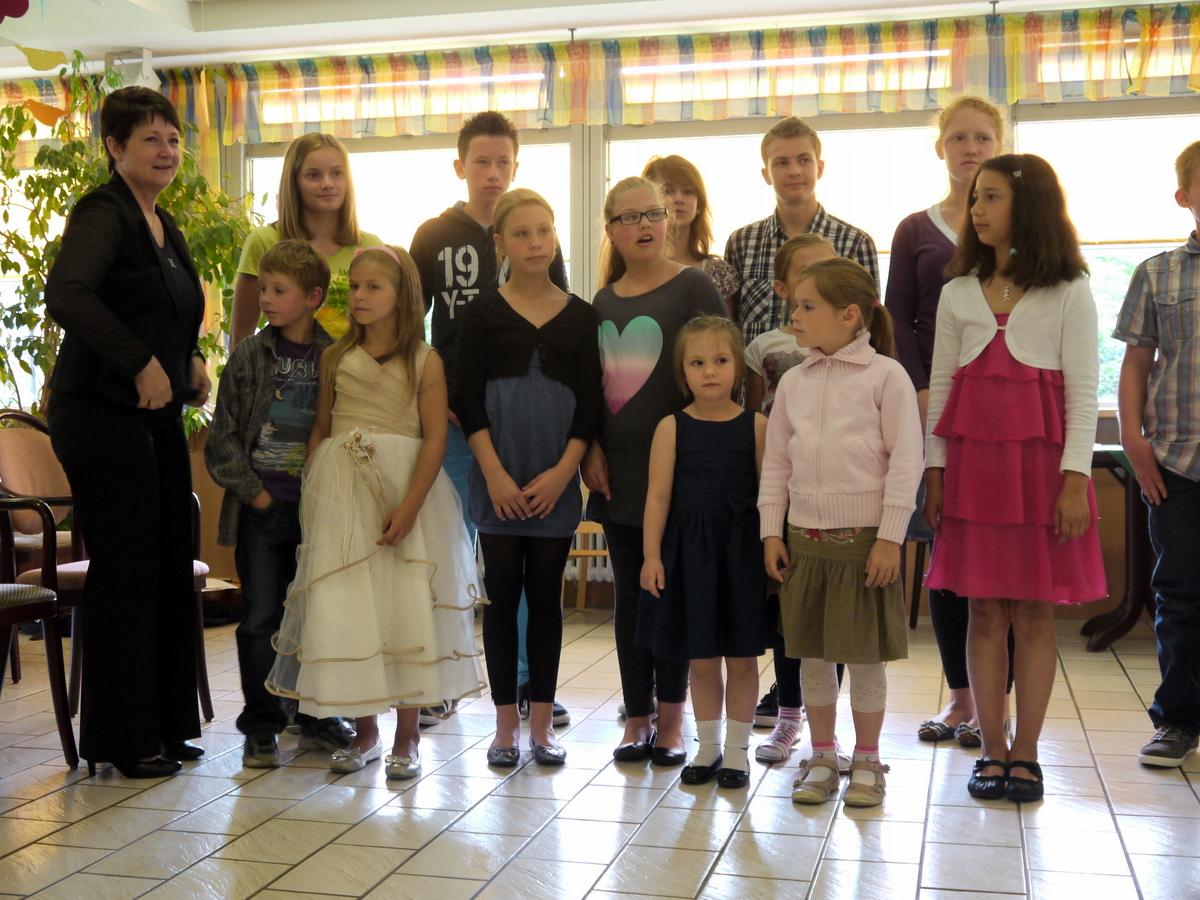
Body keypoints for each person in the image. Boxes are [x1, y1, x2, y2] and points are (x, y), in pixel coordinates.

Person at [923, 154, 1107, 802]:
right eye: (976, 197)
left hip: (1041, 475)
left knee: (1031, 612)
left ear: (1027, 205)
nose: (976, 209)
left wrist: (1075, 480)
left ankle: (1026, 752)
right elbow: (942, 385)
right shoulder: (957, 292)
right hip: (974, 474)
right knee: (982, 611)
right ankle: (991, 748)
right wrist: (935, 470)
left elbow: (1083, 394)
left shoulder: (1070, 289)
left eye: (991, 197)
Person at [265, 246, 486, 779]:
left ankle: (407, 735)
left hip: (406, 491)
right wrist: (317, 488)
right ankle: (365, 731)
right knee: (351, 605)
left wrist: (409, 506)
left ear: (402, 296)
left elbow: (434, 437)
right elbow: (322, 428)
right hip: (343, 492)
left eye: (373, 287)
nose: (359, 296)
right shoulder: (335, 357)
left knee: (406, 605)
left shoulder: (425, 360)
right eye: (355, 286)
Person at [44, 86, 210, 778]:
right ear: (114, 147)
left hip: (153, 414)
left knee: (169, 557)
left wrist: (189, 359)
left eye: (173, 139)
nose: (167, 151)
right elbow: (67, 293)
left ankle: (165, 725)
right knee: (129, 565)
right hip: (98, 409)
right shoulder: (103, 211)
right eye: (150, 139)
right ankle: (121, 738)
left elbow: (171, 310)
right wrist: (140, 362)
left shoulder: (163, 222)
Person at [410, 111, 571, 727]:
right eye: (482, 161)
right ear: (461, 167)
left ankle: (529, 682)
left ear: (516, 166)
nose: (494, 172)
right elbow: (412, 326)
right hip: (452, 424)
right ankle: (444, 681)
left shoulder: (536, 234)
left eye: (504, 161)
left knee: (520, 563)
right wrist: (436, 395)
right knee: (450, 551)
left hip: (523, 428)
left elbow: (559, 323)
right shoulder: (432, 235)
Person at [759, 258, 921, 808]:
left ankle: (868, 760)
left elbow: (907, 461)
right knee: (813, 658)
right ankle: (824, 755)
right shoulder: (793, 381)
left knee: (866, 657)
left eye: (807, 306)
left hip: (865, 544)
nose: (794, 316)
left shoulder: (887, 377)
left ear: (850, 315)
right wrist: (772, 532)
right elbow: (777, 463)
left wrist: (890, 537)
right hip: (804, 542)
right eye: (795, 306)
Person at [452, 189, 602, 767]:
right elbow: (468, 398)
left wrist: (565, 474)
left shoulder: (582, 316)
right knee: (501, 596)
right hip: (498, 478)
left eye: (544, 230)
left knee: (544, 599)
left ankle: (542, 726)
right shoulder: (481, 314)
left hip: (554, 481)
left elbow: (590, 406)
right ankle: (504, 728)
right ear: (500, 244)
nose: (536, 242)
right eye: (521, 233)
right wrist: (493, 475)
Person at [583, 176, 727, 766]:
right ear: (611, 230)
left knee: (669, 593)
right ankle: (636, 716)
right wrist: (591, 448)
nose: (644, 225)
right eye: (630, 217)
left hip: (682, 473)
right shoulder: (601, 303)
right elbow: (591, 389)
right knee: (631, 598)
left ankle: (672, 719)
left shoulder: (693, 284)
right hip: (619, 471)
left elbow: (721, 369)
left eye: (653, 213)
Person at [884, 95, 1012, 749]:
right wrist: (921, 390)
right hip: (933, 413)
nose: (971, 148)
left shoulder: (1020, 231)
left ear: (1000, 145)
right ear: (941, 147)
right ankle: (962, 699)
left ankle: (997, 705)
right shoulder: (915, 229)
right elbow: (896, 318)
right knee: (945, 551)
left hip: (1004, 415)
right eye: (959, 137)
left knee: (1000, 558)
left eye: (983, 137)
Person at [205, 240, 353, 768]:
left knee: (318, 616)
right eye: (263, 287)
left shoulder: (336, 356)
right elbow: (222, 439)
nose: (264, 298)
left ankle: (315, 718)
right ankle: (263, 725)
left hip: (318, 513)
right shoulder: (249, 355)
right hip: (262, 511)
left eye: (278, 290)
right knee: (261, 619)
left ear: (313, 297)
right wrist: (259, 496)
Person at [639, 316, 769, 789]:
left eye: (720, 360)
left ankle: (737, 753)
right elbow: (658, 497)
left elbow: (771, 497)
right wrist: (652, 556)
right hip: (690, 558)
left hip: (742, 557)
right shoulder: (671, 427)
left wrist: (772, 550)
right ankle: (709, 747)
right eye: (697, 363)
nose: (710, 371)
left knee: (742, 659)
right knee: (703, 658)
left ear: (738, 368)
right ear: (683, 372)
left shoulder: (758, 426)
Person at [1114, 139, 1200, 769]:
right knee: (1180, 594)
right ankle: (1177, 720)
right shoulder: (1158, 273)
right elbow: (1136, 364)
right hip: (1177, 461)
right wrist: (1133, 441)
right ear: (1184, 197)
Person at [745, 233, 836, 767]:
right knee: (787, 607)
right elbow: (755, 415)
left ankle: (831, 728)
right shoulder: (765, 347)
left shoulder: (856, 347)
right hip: (785, 488)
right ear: (782, 288)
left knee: (835, 614)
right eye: (805, 272)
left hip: (841, 496)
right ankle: (788, 715)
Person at [725, 116, 878, 345]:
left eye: (804, 160)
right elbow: (730, 327)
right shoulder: (741, 243)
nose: (794, 171)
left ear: (820, 168)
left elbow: (868, 327)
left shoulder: (855, 243)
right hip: (757, 369)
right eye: (782, 162)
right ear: (766, 174)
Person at [230, 133, 382, 347]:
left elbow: (384, 331)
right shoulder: (264, 241)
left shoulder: (370, 247)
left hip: (355, 367)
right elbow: (240, 338)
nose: (327, 183)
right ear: (294, 183)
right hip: (283, 368)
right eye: (313, 175)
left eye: (337, 173)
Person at [642, 155, 740, 317]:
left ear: (699, 202)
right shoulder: (636, 268)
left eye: (688, 191)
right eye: (668, 191)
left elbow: (729, 331)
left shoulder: (720, 273)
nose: (679, 199)